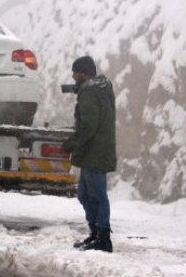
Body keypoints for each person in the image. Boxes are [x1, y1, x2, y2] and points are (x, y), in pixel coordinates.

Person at [63, 55, 117, 253]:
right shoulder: (97, 88)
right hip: (93, 151)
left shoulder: (91, 93)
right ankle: (95, 233)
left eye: (75, 72)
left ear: (83, 73)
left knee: (97, 195)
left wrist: (70, 144)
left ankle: (103, 238)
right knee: (85, 194)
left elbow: (88, 125)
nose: (73, 75)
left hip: (96, 152)